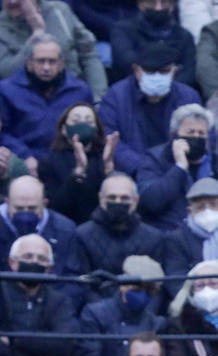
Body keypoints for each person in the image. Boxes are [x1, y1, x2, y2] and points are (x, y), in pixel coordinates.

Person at [134, 102, 218, 231]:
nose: (196, 137)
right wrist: (179, 168)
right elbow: (150, 202)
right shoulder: (155, 159)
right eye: (190, 132)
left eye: (201, 133)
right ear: (175, 134)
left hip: (214, 232)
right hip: (170, 234)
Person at [0, 31, 93, 167]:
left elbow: (91, 130)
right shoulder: (6, 90)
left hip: (68, 161)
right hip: (21, 161)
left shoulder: (80, 91)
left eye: (52, 61)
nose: (46, 67)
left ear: (61, 63)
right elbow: (2, 133)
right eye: (40, 61)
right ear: (29, 63)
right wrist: (25, 156)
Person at [96, 40, 200, 158]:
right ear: (136, 70)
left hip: (178, 166)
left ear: (174, 71)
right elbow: (109, 137)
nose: (156, 76)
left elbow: (201, 136)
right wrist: (143, 168)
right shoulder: (116, 96)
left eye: (163, 71)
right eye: (150, 71)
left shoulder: (188, 97)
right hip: (130, 171)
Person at [70, 172, 164, 301]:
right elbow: (82, 285)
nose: (118, 202)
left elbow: (157, 288)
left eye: (124, 198)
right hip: (96, 314)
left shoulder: (154, 238)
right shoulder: (82, 235)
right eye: (112, 198)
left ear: (135, 201)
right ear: (100, 199)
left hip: (141, 310)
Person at [40, 99, 128, 223]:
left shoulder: (106, 157)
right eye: (75, 121)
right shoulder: (48, 161)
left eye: (89, 121)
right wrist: (78, 172)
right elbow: (53, 208)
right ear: (64, 129)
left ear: (96, 129)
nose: (82, 124)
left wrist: (108, 169)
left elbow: (113, 202)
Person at [76, 253, 165, 356]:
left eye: (148, 290)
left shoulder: (155, 324)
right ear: (123, 285)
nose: (143, 294)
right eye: (138, 288)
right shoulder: (95, 314)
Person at [0, 3, 105, 99]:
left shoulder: (59, 12)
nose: (12, 1)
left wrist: (97, 98)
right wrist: (37, 34)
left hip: (72, 93)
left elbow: (89, 55)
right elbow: (6, 72)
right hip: (24, 101)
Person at [0, 231, 75, 356]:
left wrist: (15, 340)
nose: (34, 262)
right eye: (28, 256)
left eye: (41, 259)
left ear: (49, 268)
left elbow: (65, 346)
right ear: (12, 263)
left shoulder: (59, 301)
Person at [0, 173, 74, 276]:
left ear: (44, 203)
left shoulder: (65, 229)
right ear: (7, 202)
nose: (25, 213)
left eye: (32, 208)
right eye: (19, 208)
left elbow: (71, 275)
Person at [109, 0, 195, 87]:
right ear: (140, 4)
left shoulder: (184, 36)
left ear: (173, 5)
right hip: (130, 89)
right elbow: (126, 62)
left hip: (175, 92)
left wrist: (166, 87)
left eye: (164, 2)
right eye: (151, 2)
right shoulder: (123, 30)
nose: (158, 8)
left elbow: (189, 72)